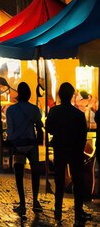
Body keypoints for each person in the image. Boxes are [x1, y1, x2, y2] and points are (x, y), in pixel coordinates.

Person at [46, 82, 92, 223]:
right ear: (72, 95)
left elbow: (49, 129)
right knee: (77, 181)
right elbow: (83, 135)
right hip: (75, 150)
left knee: (59, 181)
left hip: (60, 148)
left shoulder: (54, 111)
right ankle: (78, 211)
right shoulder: (78, 115)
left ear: (60, 95)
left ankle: (58, 209)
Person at [6, 82, 43, 217]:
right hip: (32, 144)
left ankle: (22, 203)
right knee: (35, 172)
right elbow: (39, 126)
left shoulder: (10, 110)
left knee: (19, 174)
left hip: (18, 145)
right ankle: (35, 201)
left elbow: (10, 130)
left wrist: (11, 140)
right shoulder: (34, 109)